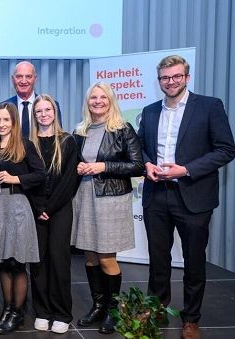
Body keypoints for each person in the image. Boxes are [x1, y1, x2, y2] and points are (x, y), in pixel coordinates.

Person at [138, 55, 235, 339]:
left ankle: (191, 318)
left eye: (176, 76)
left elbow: (226, 149)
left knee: (194, 261)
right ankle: (156, 309)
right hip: (156, 194)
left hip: (193, 195)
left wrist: (186, 169)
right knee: (158, 260)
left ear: (187, 77)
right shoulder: (150, 110)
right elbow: (142, 147)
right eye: (165, 78)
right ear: (159, 81)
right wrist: (146, 164)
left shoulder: (209, 106)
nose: (171, 82)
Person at [72, 82, 144, 334]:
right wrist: (78, 168)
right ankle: (98, 306)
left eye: (103, 97)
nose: (98, 101)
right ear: (87, 101)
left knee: (106, 257)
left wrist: (104, 167)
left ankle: (114, 311)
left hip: (110, 199)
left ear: (111, 100)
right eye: (94, 97)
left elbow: (138, 166)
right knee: (90, 256)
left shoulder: (123, 129)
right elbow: (74, 163)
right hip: (84, 196)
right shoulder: (80, 130)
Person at [0, 102, 46, 335]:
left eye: (6, 120)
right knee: (2, 263)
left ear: (14, 122)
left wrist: (14, 178)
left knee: (17, 264)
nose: (1, 124)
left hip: (18, 206)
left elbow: (40, 174)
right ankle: (7, 310)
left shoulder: (24, 145)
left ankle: (17, 314)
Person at [29, 94, 79, 334]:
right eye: (39, 111)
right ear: (34, 115)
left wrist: (49, 209)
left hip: (59, 210)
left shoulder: (68, 141)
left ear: (55, 112)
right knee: (38, 262)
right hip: (34, 210)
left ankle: (61, 313)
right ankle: (42, 310)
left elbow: (69, 181)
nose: (43, 114)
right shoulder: (28, 143)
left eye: (47, 110)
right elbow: (26, 180)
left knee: (59, 261)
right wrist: (38, 208)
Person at [1, 61, 62, 137]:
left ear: (35, 79)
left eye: (28, 76)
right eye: (19, 76)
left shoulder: (52, 106)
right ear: (13, 79)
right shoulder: (3, 107)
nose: (23, 81)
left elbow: (58, 135)